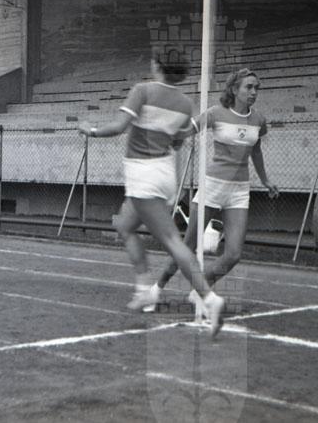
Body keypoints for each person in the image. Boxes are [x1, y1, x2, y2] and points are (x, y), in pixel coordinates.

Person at [78, 47, 225, 337]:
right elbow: (178, 142)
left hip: (143, 173)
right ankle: (144, 289)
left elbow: (119, 127)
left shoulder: (142, 90)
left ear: (158, 65)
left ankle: (209, 298)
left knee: (172, 241)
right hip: (163, 172)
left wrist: (90, 130)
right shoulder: (185, 103)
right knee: (125, 226)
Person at [151, 68, 279, 316]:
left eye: (256, 88)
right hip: (213, 186)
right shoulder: (216, 113)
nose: (254, 92)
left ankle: (201, 289)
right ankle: (157, 288)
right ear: (234, 89)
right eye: (249, 87)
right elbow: (188, 129)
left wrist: (266, 180)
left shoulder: (259, 120)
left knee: (233, 254)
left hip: (239, 191)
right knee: (187, 245)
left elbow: (256, 151)